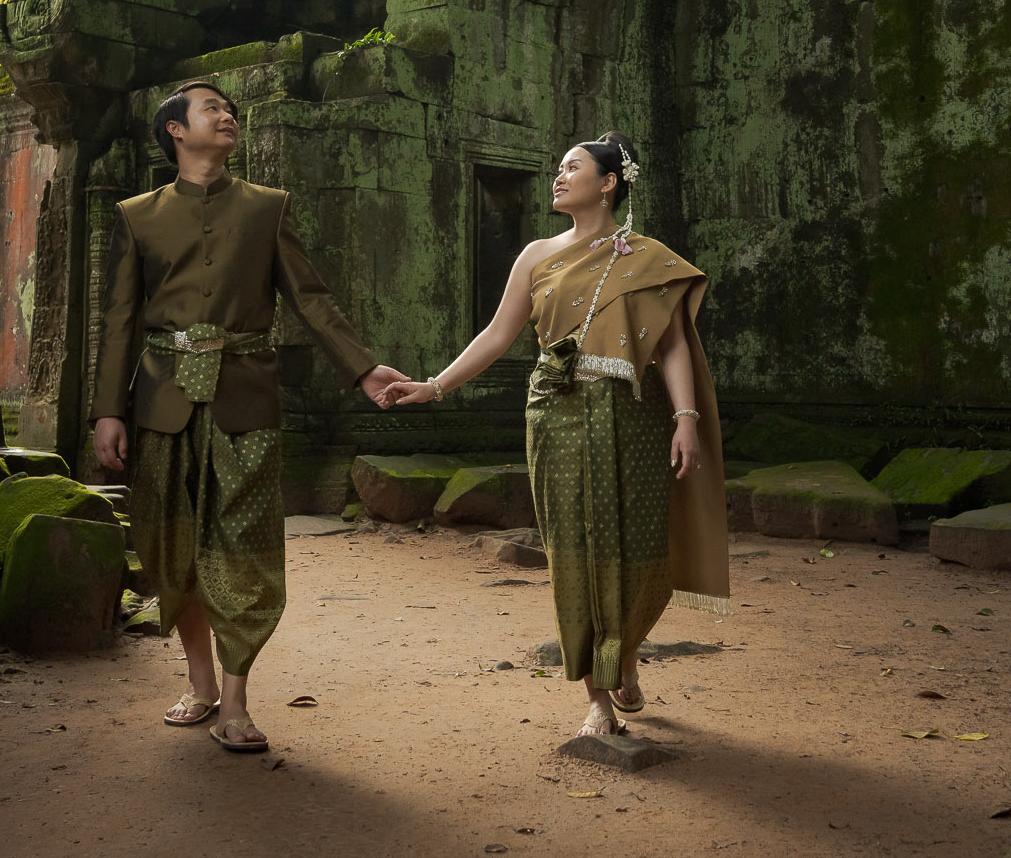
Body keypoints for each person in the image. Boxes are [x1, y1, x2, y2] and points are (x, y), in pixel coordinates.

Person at [89, 80, 407, 753]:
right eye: (211, 107)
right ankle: (199, 683)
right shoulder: (136, 214)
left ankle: (235, 701)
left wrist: (363, 367)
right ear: (175, 130)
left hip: (245, 399)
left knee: (245, 548)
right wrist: (106, 413)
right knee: (171, 547)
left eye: (230, 109)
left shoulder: (268, 209)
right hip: (161, 402)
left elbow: (311, 299)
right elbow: (118, 320)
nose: (226, 114)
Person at [384, 132, 730, 738]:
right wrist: (434, 386)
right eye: (558, 168)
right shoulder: (537, 255)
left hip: (633, 416)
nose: (558, 176)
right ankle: (596, 697)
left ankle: (623, 654)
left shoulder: (645, 257)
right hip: (557, 413)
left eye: (572, 167)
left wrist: (686, 418)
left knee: (642, 548)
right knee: (574, 550)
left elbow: (672, 344)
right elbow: (497, 336)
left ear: (608, 182)